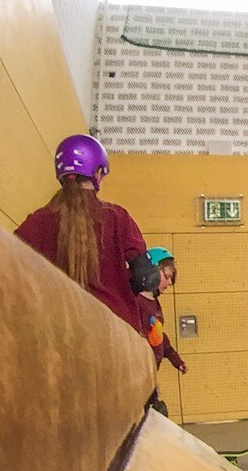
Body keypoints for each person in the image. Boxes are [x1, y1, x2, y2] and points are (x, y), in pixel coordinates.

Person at [15, 133, 159, 336]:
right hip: (114, 330)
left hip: (55, 328)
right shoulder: (118, 217)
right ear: (98, 173)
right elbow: (147, 278)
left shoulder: (37, 221)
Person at [139, 247, 188, 415]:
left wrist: (176, 359)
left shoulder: (154, 303)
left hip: (149, 377)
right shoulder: (136, 302)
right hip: (137, 377)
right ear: (152, 271)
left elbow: (159, 337)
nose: (169, 283)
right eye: (166, 277)